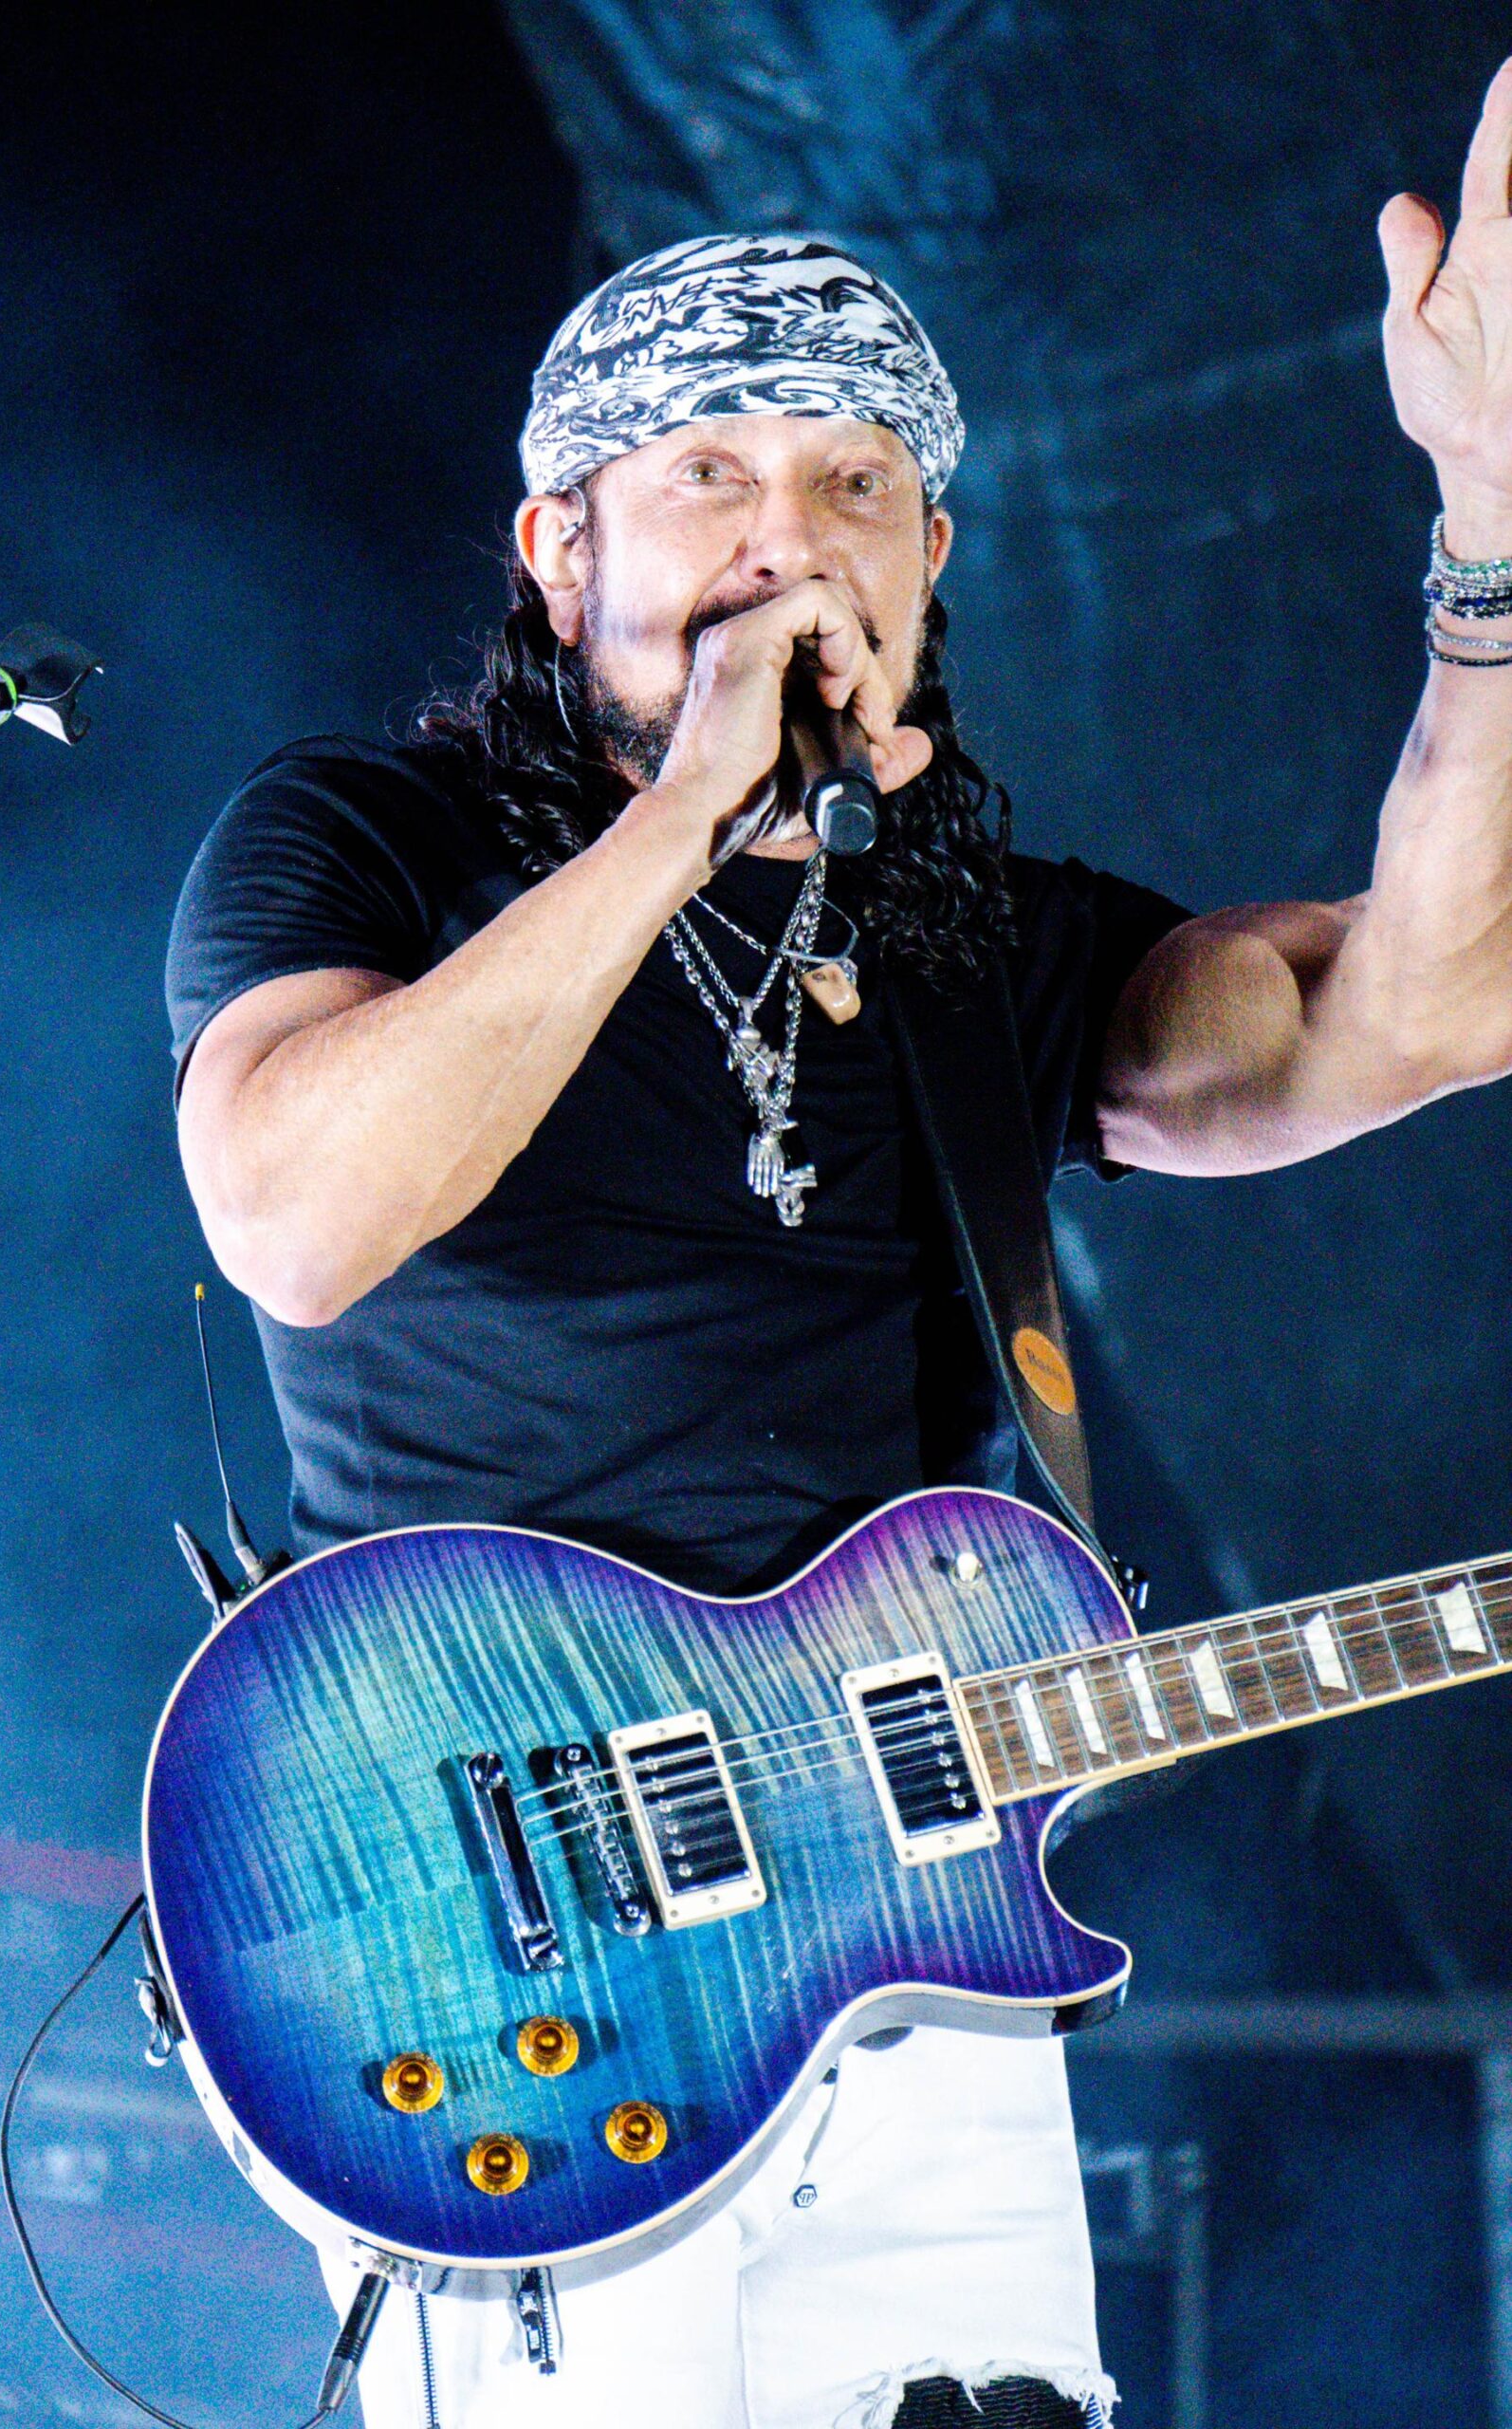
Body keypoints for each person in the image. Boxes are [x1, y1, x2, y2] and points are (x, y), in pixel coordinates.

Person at [165, 61, 1512, 2429]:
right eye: (708, 473)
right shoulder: (363, 836)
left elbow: (1419, 1006)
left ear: (927, 565)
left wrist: (1485, 531)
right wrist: (692, 802)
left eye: (855, 485)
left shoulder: (974, 939)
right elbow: (290, 1214)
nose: (788, 538)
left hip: (912, 1945)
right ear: (556, 549)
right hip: (514, 1941)